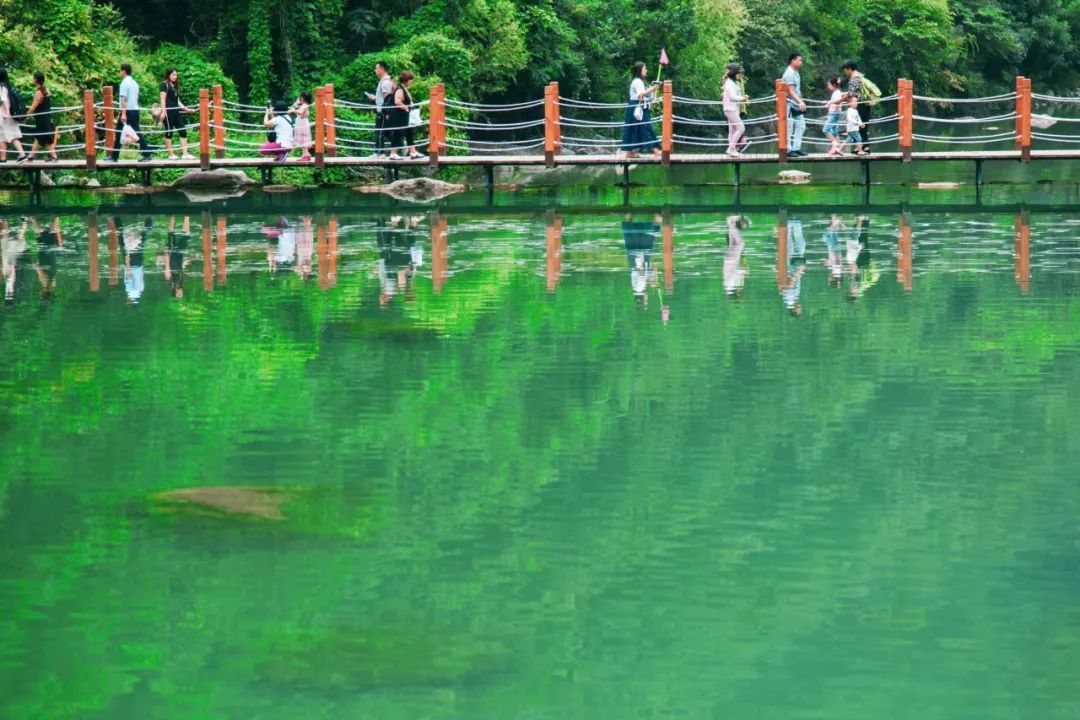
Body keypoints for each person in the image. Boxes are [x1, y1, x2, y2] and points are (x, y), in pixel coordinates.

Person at [110, 64, 151, 162]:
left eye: (120, 71)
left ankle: (115, 157)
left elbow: (124, 99)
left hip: (127, 111)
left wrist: (123, 113)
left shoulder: (124, 83)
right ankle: (114, 156)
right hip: (135, 110)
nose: (120, 73)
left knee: (122, 132)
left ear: (124, 71)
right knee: (128, 132)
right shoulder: (134, 83)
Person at [621, 62, 662, 158]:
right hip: (637, 106)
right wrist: (653, 88)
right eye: (644, 69)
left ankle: (629, 152)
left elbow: (647, 97)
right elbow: (641, 95)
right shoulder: (637, 82)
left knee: (636, 128)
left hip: (638, 106)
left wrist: (654, 91)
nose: (646, 71)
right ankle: (656, 150)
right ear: (640, 70)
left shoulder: (640, 81)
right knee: (646, 127)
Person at [842, 60, 877, 154]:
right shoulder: (860, 76)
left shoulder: (854, 78)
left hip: (860, 105)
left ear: (849, 69)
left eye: (845, 70)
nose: (845, 72)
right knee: (863, 126)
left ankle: (864, 148)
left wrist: (838, 100)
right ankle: (860, 148)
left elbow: (850, 94)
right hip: (865, 104)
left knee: (859, 126)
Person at [159, 68, 194, 160]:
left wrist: (187, 109)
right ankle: (171, 155)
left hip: (176, 112)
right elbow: (162, 99)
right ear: (168, 75)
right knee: (169, 133)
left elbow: (177, 101)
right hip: (168, 112)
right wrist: (163, 112)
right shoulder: (164, 84)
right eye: (173, 75)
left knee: (183, 131)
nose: (175, 76)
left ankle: (185, 154)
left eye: (176, 75)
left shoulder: (174, 86)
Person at [388, 71, 422, 159]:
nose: (411, 81)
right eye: (410, 79)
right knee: (398, 133)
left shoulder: (404, 88)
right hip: (399, 115)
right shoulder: (400, 89)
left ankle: (413, 152)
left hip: (405, 115)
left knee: (409, 132)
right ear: (406, 80)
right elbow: (397, 101)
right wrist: (406, 108)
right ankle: (393, 153)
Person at [366, 60, 395, 156]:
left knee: (379, 132)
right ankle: (403, 146)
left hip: (383, 112)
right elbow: (384, 97)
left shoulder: (385, 82)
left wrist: (387, 112)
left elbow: (388, 98)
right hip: (383, 110)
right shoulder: (384, 80)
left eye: (376, 68)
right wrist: (375, 98)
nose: (375, 70)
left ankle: (379, 153)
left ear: (382, 69)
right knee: (386, 132)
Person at [782, 53, 807, 158]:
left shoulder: (796, 72)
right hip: (788, 103)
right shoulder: (789, 73)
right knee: (789, 126)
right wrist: (800, 102)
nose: (801, 62)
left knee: (801, 125)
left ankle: (796, 148)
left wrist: (801, 101)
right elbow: (791, 92)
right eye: (799, 60)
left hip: (796, 103)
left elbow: (797, 90)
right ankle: (788, 150)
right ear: (793, 61)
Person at [0, 68, 27, 162]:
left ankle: (22, 155)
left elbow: (5, 101)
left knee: (11, 136)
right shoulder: (7, 86)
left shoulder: (2, 87)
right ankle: (3, 158)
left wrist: (7, 113)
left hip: (4, 115)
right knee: (2, 136)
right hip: (8, 114)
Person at [722, 63, 749, 157]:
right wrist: (743, 98)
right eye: (738, 73)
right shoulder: (729, 83)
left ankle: (731, 150)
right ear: (734, 73)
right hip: (730, 109)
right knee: (741, 128)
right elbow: (733, 97)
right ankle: (732, 148)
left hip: (733, 109)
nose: (740, 75)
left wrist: (743, 97)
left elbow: (737, 95)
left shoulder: (734, 82)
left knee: (732, 130)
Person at [723, 215, 750, 297]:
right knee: (739, 244)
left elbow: (736, 273)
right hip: (732, 259)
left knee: (740, 244)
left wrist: (744, 272)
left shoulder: (731, 284)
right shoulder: (731, 284)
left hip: (732, 260)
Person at [164, 216, 189, 297]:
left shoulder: (170, 281)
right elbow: (180, 268)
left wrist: (167, 256)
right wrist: (184, 262)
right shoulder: (181, 281)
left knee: (171, 234)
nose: (180, 292)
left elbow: (167, 269)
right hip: (180, 256)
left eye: (178, 294)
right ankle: (186, 216)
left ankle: (172, 215)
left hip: (172, 255)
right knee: (185, 236)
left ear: (175, 292)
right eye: (181, 293)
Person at [823, 77, 844, 156]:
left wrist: (829, 103)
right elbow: (834, 101)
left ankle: (835, 143)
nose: (828, 86)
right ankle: (837, 149)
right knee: (835, 132)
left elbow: (837, 101)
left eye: (829, 84)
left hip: (834, 114)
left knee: (825, 129)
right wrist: (828, 102)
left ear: (834, 85)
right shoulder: (836, 92)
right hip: (835, 114)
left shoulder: (837, 93)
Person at [291, 91, 313, 162]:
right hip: (302, 123)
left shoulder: (304, 105)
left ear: (302, 98)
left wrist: (294, 110)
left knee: (303, 139)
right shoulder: (305, 105)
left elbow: (300, 112)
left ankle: (305, 155)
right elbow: (295, 111)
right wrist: (296, 104)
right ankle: (306, 154)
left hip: (302, 124)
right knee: (303, 139)